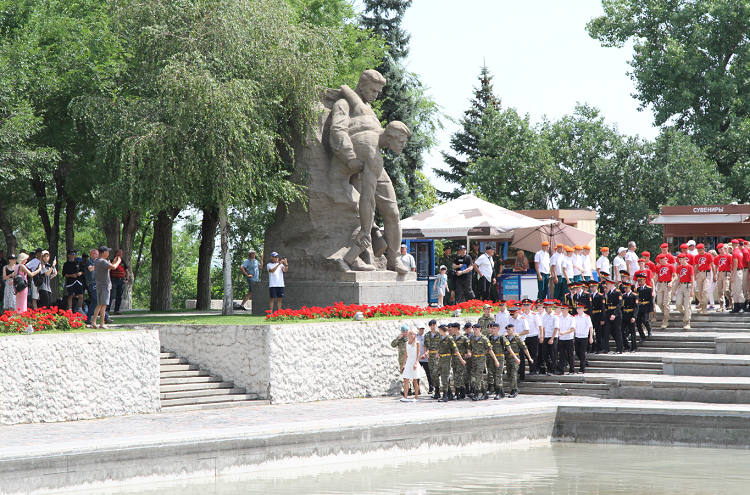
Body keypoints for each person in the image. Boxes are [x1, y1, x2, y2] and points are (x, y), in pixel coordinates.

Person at [328, 70, 410, 274]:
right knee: (358, 208)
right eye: (373, 90)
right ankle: (357, 254)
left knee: (392, 211)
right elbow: (338, 131)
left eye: (378, 91)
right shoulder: (343, 104)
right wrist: (349, 158)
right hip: (350, 164)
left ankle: (394, 258)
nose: (375, 94)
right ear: (362, 85)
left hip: (372, 163)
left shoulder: (368, 110)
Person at [93, 247, 121, 329]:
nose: (108, 253)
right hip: (105, 285)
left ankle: (93, 322)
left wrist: (113, 262)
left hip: (99, 285)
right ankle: (102, 324)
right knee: (104, 305)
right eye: (107, 252)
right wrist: (118, 261)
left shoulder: (97, 261)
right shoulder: (102, 261)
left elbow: (108, 268)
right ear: (103, 252)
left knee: (99, 304)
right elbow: (113, 267)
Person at [437, 324, 465, 402]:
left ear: (442, 330)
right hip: (441, 359)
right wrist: (437, 353)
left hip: (447, 359)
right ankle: (449, 394)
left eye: (439, 330)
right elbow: (439, 347)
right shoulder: (441, 338)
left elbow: (456, 350)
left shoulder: (449, 338)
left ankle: (445, 396)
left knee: (445, 377)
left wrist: (461, 360)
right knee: (443, 377)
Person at [503, 323, 530, 398]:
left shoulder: (517, 338)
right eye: (507, 330)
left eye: (509, 329)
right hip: (508, 358)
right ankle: (515, 388)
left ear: (513, 329)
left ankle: (513, 390)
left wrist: (529, 357)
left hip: (515, 358)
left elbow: (524, 348)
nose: (508, 331)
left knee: (514, 374)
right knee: (509, 374)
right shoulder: (506, 338)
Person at [467, 323, 493, 401]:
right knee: (479, 377)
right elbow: (469, 347)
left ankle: (477, 393)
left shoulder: (484, 339)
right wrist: (469, 352)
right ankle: (484, 393)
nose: (475, 330)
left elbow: (490, 350)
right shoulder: (472, 338)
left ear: (480, 329)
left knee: (478, 376)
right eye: (474, 329)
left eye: (476, 329)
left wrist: (495, 360)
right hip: (474, 359)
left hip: (481, 359)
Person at [400, 328, 423, 402]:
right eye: (410, 334)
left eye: (413, 334)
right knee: (406, 380)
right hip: (408, 362)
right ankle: (405, 397)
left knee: (415, 380)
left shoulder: (417, 343)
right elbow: (405, 354)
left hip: (414, 362)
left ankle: (416, 397)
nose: (412, 335)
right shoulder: (406, 343)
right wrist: (403, 364)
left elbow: (418, 353)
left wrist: (416, 363)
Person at [602, 278, 624, 354]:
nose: (606, 286)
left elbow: (619, 304)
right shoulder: (608, 293)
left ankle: (619, 349)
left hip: (616, 314)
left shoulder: (618, 292)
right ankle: (605, 348)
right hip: (609, 313)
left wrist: (614, 314)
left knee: (617, 332)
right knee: (607, 331)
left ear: (611, 284)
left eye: (607, 284)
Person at [655, 254, 677, 327]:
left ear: (666, 259)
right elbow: (656, 277)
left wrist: (671, 282)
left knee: (666, 302)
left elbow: (675, 276)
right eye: (660, 260)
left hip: (667, 284)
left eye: (662, 260)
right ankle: (666, 314)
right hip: (660, 284)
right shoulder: (658, 267)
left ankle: (666, 319)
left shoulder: (670, 266)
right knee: (659, 302)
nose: (661, 261)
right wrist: (653, 286)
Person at [572, 302, 594, 373]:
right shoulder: (575, 317)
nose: (578, 310)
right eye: (577, 308)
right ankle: (584, 361)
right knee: (577, 351)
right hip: (577, 336)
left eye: (580, 308)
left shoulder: (587, 317)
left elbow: (591, 327)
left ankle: (582, 369)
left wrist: (591, 337)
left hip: (584, 336)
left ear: (583, 309)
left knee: (582, 352)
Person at [450, 322, 469, 399]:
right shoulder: (453, 338)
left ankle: (457, 393)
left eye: (453, 328)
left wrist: (468, 353)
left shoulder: (464, 338)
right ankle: (462, 392)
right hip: (454, 359)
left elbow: (468, 347)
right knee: (456, 375)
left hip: (461, 359)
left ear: (456, 328)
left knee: (458, 376)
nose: (451, 329)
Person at [422, 321, 441, 399]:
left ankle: (438, 390)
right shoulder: (427, 335)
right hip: (430, 357)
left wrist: (438, 352)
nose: (432, 327)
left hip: (437, 356)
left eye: (434, 325)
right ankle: (436, 390)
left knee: (437, 373)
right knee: (432, 374)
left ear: (436, 325)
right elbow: (425, 345)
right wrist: (426, 352)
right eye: (431, 325)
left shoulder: (439, 334)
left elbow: (441, 345)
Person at [693, 243, 714, 315]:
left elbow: (712, 265)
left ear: (704, 249)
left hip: (706, 273)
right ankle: (702, 305)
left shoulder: (708, 255)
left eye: (701, 250)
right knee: (699, 292)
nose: (699, 251)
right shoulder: (696, 256)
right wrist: (694, 276)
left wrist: (714, 275)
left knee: (704, 290)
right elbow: (696, 267)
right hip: (699, 273)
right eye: (698, 250)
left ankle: (705, 307)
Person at [487, 323, 506, 399]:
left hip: (500, 358)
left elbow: (508, 348)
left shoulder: (501, 338)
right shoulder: (490, 338)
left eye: (494, 328)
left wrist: (515, 357)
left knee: (498, 375)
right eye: (491, 328)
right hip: (492, 358)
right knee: (494, 375)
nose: (492, 330)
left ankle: (498, 393)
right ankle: (501, 392)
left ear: (498, 329)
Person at [540, 300, 559, 375]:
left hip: (553, 337)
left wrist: (552, 338)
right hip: (546, 336)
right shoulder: (545, 316)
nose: (545, 309)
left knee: (553, 354)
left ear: (550, 307)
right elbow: (544, 327)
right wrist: (543, 336)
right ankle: (549, 367)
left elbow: (556, 328)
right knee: (544, 353)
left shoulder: (555, 316)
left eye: (546, 307)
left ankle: (553, 369)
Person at [555, 304, 575, 374]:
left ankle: (572, 369)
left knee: (570, 354)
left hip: (569, 338)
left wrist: (564, 332)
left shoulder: (571, 318)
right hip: (561, 338)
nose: (562, 310)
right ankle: (561, 369)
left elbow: (572, 329)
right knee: (562, 354)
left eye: (564, 309)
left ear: (567, 309)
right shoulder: (559, 317)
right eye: (562, 309)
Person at [108, 249, 128, 315]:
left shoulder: (123, 262)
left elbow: (127, 270)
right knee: (111, 295)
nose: (121, 255)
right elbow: (109, 269)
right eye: (120, 253)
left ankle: (117, 310)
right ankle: (107, 310)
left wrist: (126, 279)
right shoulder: (112, 261)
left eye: (122, 254)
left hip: (121, 280)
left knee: (119, 296)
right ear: (117, 254)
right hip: (114, 279)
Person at [635, 273, 654, 343]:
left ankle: (649, 330)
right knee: (638, 322)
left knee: (645, 320)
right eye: (639, 281)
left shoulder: (649, 289)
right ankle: (642, 336)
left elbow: (650, 300)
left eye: (641, 281)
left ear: (644, 280)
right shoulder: (637, 289)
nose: (640, 282)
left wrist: (651, 309)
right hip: (639, 307)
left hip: (646, 306)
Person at [621, 282, 639, 351]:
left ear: (630, 288)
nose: (625, 289)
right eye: (624, 288)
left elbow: (636, 307)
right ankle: (626, 346)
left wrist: (634, 316)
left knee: (632, 332)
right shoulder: (623, 296)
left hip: (631, 315)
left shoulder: (634, 296)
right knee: (622, 331)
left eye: (626, 288)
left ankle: (634, 347)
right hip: (624, 315)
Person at [391, 324, 409, 394]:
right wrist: (398, 338)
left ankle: (409, 389)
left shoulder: (410, 338)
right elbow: (393, 345)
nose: (405, 333)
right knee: (404, 374)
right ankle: (408, 389)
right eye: (404, 331)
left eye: (406, 331)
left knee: (410, 374)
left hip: (409, 359)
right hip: (402, 360)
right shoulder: (399, 339)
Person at [715, 243, 732, 312]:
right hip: (720, 273)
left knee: (726, 289)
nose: (720, 250)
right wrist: (715, 275)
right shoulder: (717, 258)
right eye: (719, 249)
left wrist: (731, 275)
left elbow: (731, 266)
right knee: (719, 291)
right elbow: (716, 266)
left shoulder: (728, 256)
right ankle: (721, 306)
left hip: (727, 273)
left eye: (721, 249)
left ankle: (731, 301)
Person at [415, 322, 431, 393]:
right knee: (417, 374)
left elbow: (430, 346)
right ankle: (417, 389)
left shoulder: (427, 336)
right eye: (420, 328)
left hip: (426, 358)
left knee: (429, 373)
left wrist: (425, 354)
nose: (422, 330)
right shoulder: (415, 336)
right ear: (418, 329)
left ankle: (431, 388)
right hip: (418, 358)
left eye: (423, 328)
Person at [731, 239, 745, 313]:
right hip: (739, 271)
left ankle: (742, 305)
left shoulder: (735, 253)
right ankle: (737, 306)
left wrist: (732, 276)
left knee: (737, 289)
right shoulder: (739, 252)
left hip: (736, 271)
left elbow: (735, 265)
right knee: (735, 289)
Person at [591, 280, 605, 353]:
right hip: (592, 316)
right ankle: (593, 347)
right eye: (590, 287)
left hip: (598, 315)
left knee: (598, 333)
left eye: (592, 287)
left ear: (596, 287)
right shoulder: (590, 295)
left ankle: (599, 347)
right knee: (591, 333)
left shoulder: (600, 296)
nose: (591, 288)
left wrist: (602, 318)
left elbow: (602, 308)